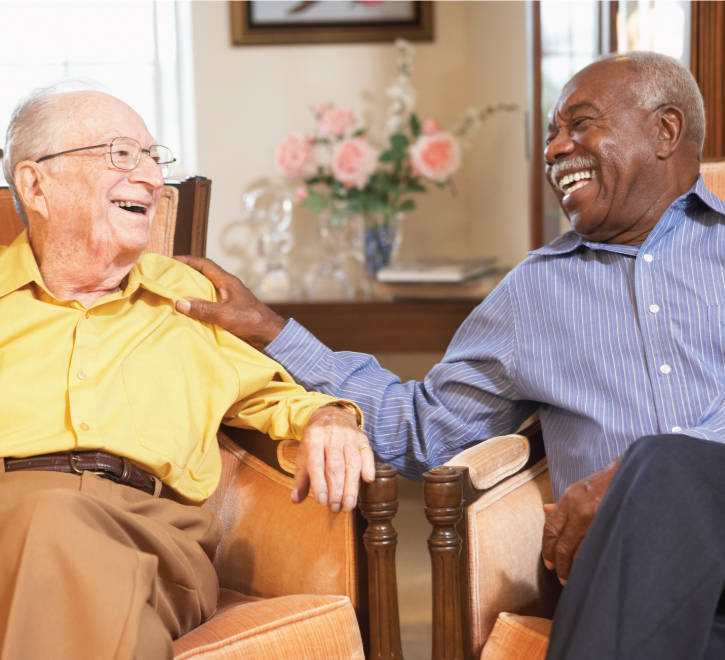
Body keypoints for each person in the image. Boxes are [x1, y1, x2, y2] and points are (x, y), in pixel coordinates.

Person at [176, 51, 725, 657]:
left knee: (663, 468)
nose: (554, 149)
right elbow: (424, 431)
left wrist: (632, 478)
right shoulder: (535, 294)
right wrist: (272, 330)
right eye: (551, 134)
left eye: (580, 123)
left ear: (665, 131)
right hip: (630, 580)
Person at [0, 85, 375, 660]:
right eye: (122, 155)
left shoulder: (191, 298)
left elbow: (278, 398)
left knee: (53, 521)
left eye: (155, 158)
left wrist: (330, 416)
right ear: (35, 185)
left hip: (153, 535)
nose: (151, 179)